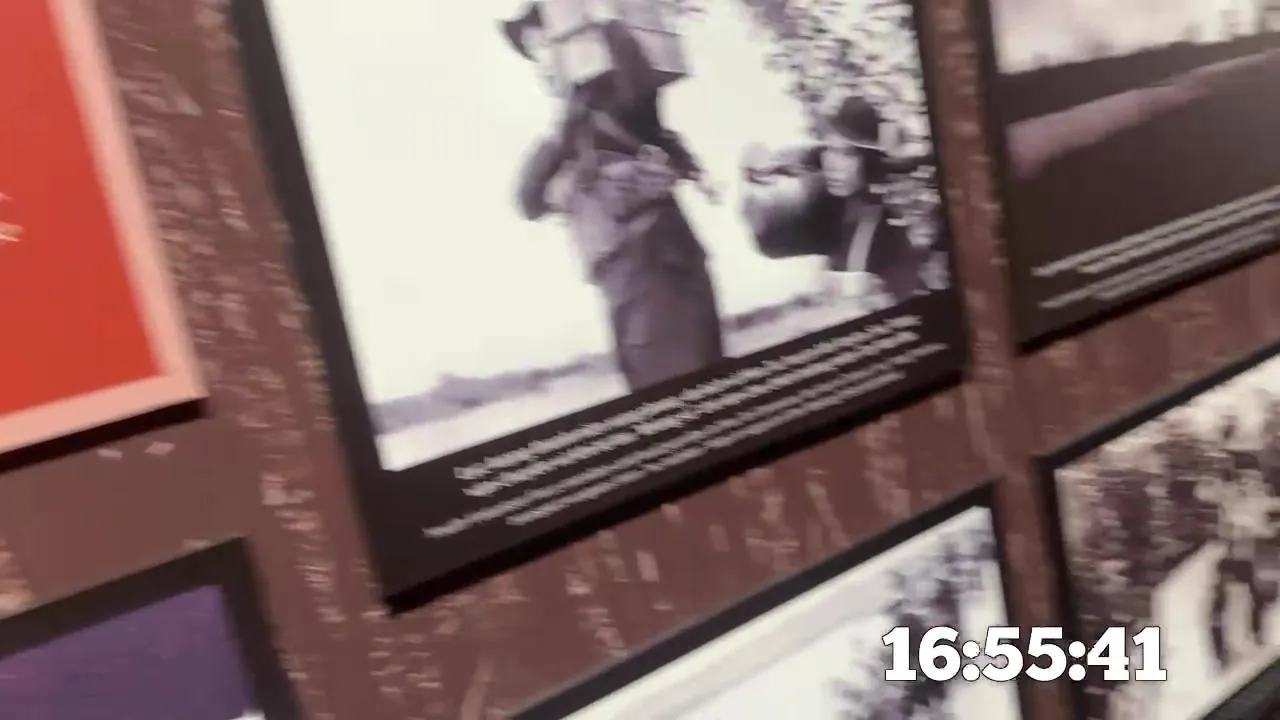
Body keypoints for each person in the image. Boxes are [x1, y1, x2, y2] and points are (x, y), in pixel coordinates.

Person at [502, 1, 725, 392]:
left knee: (689, 392)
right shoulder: (563, 136)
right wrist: (565, 125)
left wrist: (604, 26)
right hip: (625, 287)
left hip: (661, 271)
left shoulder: (620, 103)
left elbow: (636, 79)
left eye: (548, 43)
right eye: (534, 51)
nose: (543, 61)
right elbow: (526, 199)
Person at [738, 93, 936, 315]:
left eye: (847, 153)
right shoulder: (826, 205)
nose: (832, 163)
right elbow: (772, 241)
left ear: (867, 160)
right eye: (828, 149)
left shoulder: (886, 232)